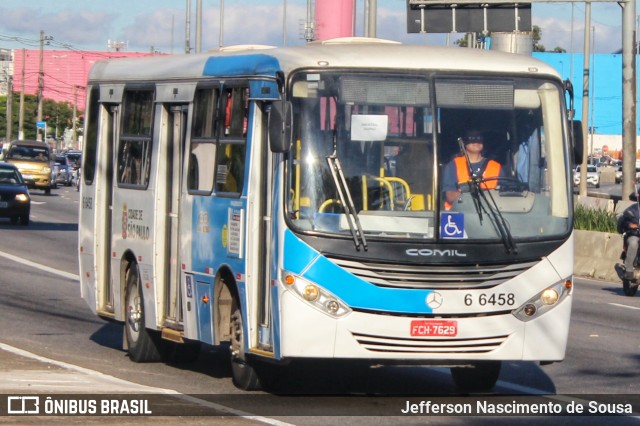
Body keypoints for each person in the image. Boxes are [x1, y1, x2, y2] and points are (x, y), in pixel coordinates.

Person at [441, 130, 504, 210]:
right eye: (471, 138)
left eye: (479, 138)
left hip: (492, 215)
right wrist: (471, 193)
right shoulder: (453, 165)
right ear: (464, 143)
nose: (476, 141)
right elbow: (449, 196)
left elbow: (503, 194)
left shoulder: (496, 166)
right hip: (460, 215)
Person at [616, 194, 640, 281]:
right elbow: (624, 221)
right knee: (633, 242)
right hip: (635, 234)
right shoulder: (632, 210)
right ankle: (629, 271)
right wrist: (630, 225)